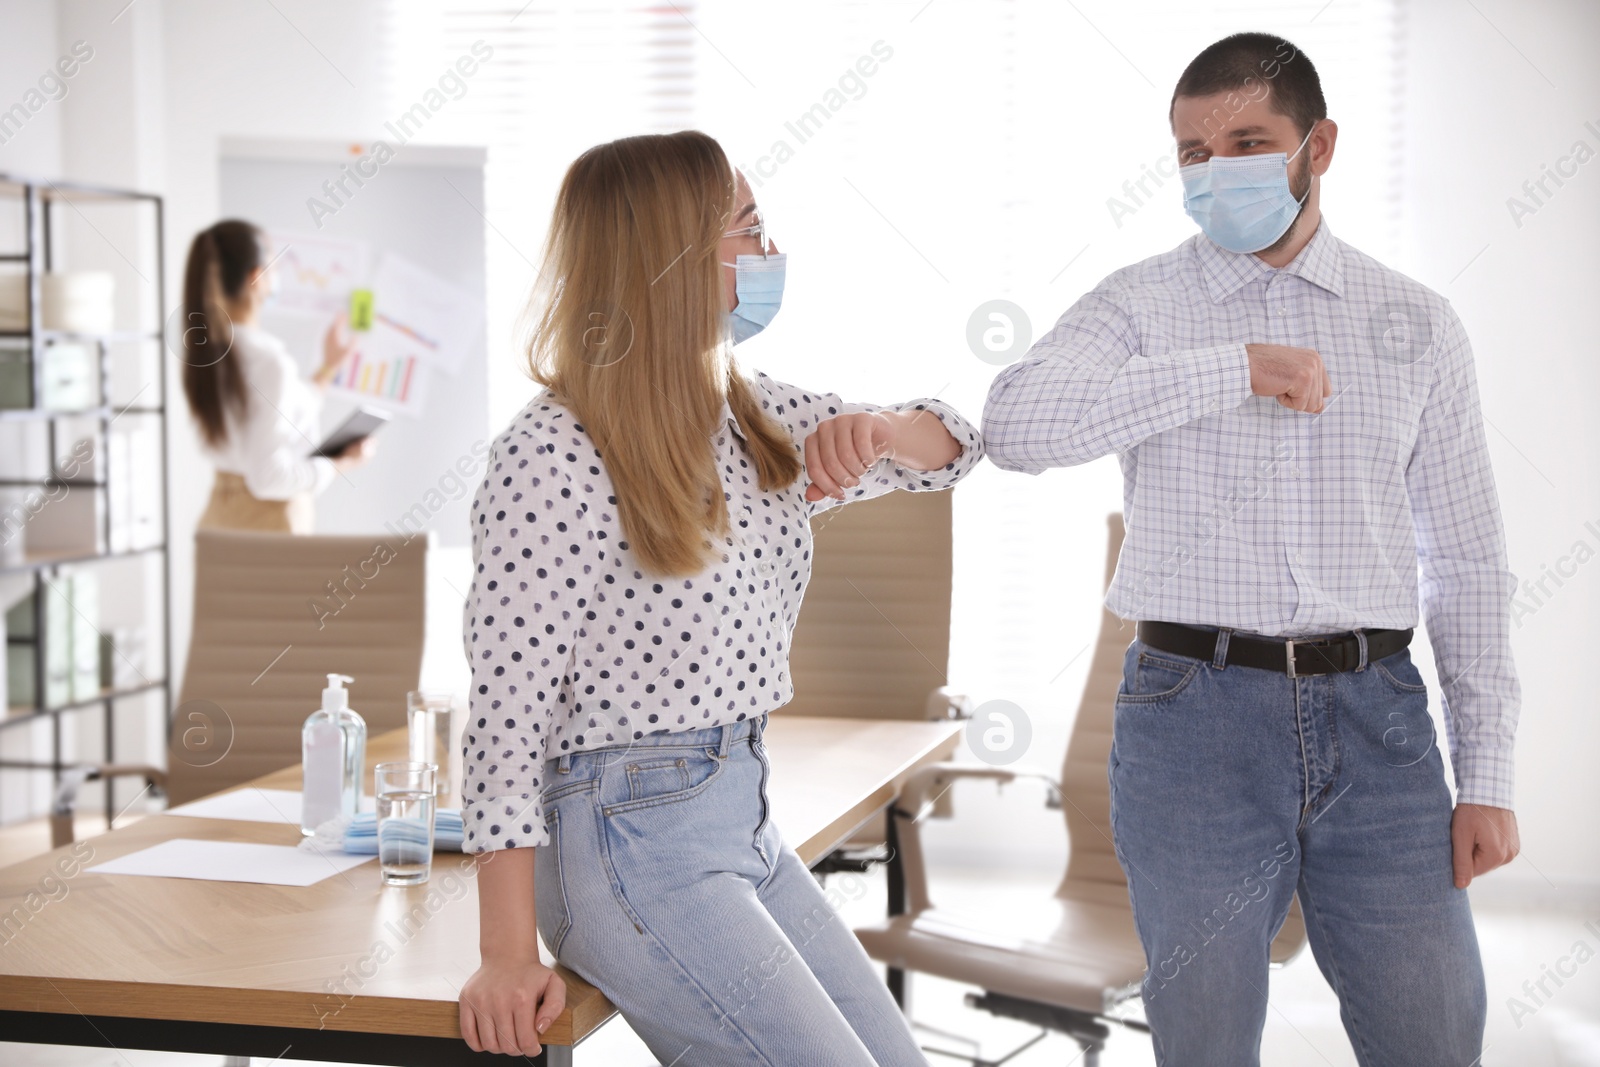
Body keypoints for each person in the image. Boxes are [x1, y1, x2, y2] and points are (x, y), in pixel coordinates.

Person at [982, 32, 1518, 1067]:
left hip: (1380, 722)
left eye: (1245, 139)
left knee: (1435, 1035)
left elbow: (1467, 560)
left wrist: (1487, 771)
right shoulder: (1138, 305)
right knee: (1205, 1047)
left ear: (1317, 144)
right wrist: (1231, 368)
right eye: (1191, 149)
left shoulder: (1417, 321)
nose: (1213, 168)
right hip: (1192, 720)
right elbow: (1015, 426)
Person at [455, 130, 982, 1065]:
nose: (770, 252)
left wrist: (882, 429)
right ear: (670, 260)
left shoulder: (755, 416)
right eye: (749, 229)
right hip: (627, 843)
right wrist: (504, 953)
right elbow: (507, 719)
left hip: (742, 815)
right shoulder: (553, 454)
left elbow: (954, 448)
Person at [178, 219, 373, 533]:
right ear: (257, 277)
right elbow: (268, 478)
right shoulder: (268, 361)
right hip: (267, 527)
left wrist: (328, 368)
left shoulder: (207, 353)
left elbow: (278, 405)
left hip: (218, 520)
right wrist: (341, 464)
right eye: (274, 263)